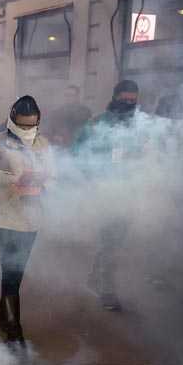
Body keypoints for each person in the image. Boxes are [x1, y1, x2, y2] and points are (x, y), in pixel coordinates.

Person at [0, 96, 55, 345]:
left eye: (32, 126)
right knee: (11, 270)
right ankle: (14, 328)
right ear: (12, 120)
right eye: (22, 125)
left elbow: (54, 177)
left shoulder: (43, 144)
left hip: (31, 218)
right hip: (2, 216)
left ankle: (4, 317)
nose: (27, 130)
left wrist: (41, 186)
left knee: (16, 273)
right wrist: (10, 179)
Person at [73, 79, 141, 311]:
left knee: (115, 240)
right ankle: (107, 289)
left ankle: (93, 280)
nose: (130, 105)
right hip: (104, 190)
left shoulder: (137, 125)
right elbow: (78, 154)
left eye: (134, 101)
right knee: (111, 239)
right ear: (115, 98)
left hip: (128, 190)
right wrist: (97, 177)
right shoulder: (96, 124)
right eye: (126, 100)